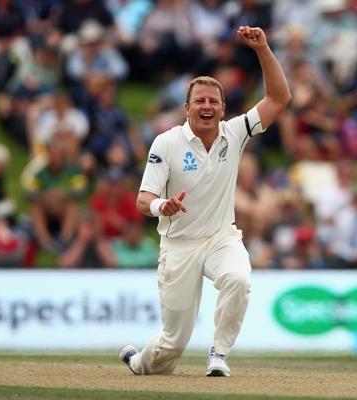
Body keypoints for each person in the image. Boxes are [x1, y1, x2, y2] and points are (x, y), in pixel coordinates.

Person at [119, 26, 291, 377]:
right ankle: (137, 362)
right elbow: (142, 199)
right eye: (200, 101)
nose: (207, 106)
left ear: (224, 108)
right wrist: (160, 206)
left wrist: (263, 49)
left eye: (214, 101)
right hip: (179, 243)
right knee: (172, 344)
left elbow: (278, 98)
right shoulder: (166, 142)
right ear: (187, 108)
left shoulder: (235, 132)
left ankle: (219, 354)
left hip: (220, 237)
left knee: (239, 279)